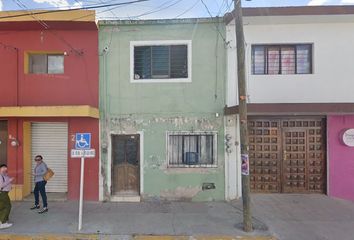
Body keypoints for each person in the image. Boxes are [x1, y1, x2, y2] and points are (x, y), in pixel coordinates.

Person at [0, 164, 13, 229]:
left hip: (4, 193)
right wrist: (9, 181)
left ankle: (1, 221)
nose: (5, 169)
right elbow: (1, 185)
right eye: (3, 168)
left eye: (6, 168)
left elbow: (6, 181)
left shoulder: (4, 175)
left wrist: (10, 186)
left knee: (2, 206)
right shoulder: (0, 176)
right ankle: (3, 222)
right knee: (7, 206)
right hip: (2, 193)